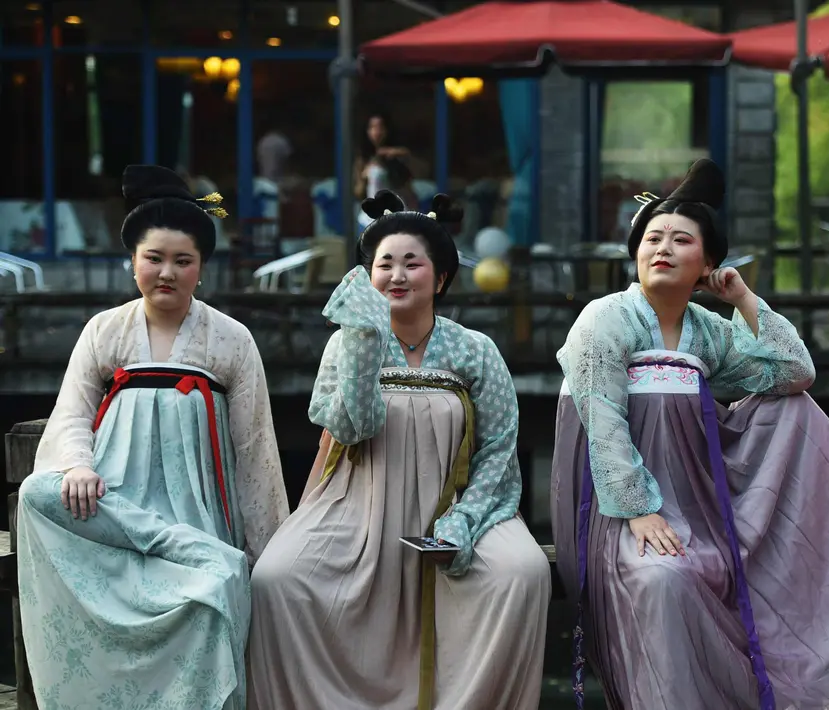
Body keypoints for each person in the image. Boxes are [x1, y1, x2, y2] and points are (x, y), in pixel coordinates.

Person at [552, 159, 829, 710]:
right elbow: (602, 418)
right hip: (613, 508)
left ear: (707, 262)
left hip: (694, 501)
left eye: (681, 240)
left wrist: (743, 301)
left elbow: (792, 373)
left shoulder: (707, 331)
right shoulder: (604, 318)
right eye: (652, 237)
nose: (662, 247)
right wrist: (638, 508)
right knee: (665, 580)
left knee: (790, 410)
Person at [248, 190, 550, 710]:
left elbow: (499, 447)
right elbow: (350, 428)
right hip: (357, 499)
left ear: (442, 277)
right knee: (278, 580)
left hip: (458, 504)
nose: (398, 275)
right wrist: (362, 340)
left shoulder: (475, 349)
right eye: (384, 264)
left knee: (524, 573)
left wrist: (466, 519)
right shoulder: (347, 341)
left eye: (413, 263)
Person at [16, 164, 289, 708]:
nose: (167, 272)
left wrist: (267, 551)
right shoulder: (104, 330)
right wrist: (76, 465)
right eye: (154, 259)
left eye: (182, 261)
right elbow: (72, 411)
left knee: (211, 593)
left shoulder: (230, 340)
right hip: (115, 507)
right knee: (34, 494)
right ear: (132, 262)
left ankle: (208, 561)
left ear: (201, 268)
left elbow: (253, 447)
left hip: (198, 516)